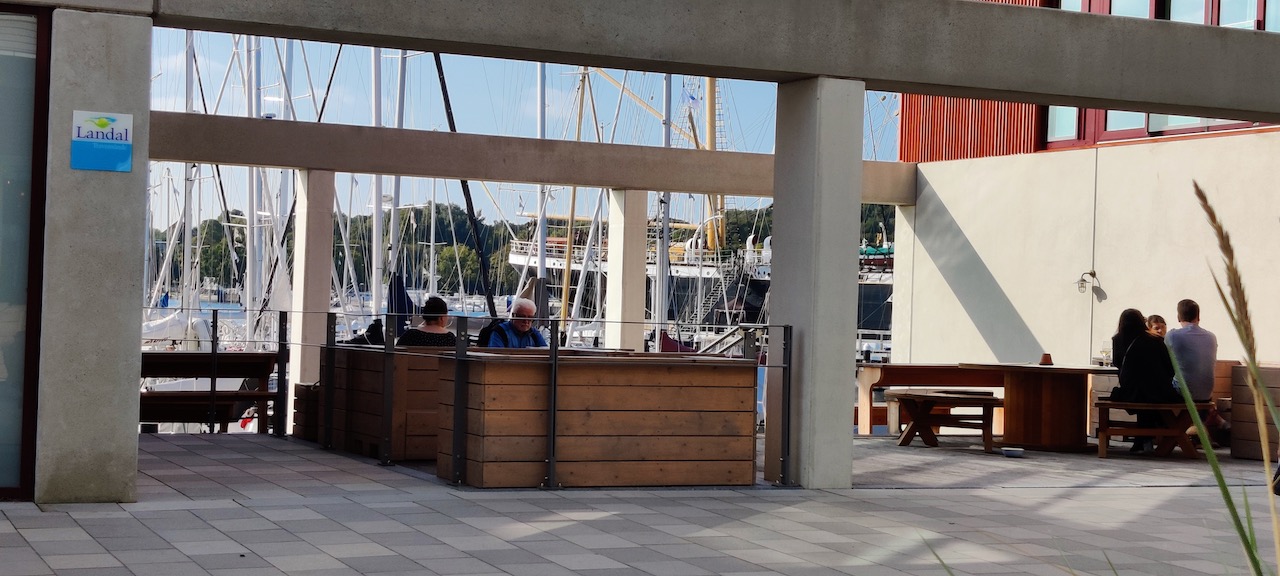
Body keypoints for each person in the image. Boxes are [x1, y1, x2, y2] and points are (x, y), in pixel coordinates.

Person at [1109, 308, 1178, 453]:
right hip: (1158, 392)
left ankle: (1142, 440)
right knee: (1148, 392)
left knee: (1141, 393)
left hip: (1131, 392)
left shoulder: (1117, 340)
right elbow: (1170, 368)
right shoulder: (1156, 340)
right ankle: (1145, 439)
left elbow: (1117, 363)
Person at [1165, 299, 1218, 402]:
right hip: (1206, 395)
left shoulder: (1172, 335)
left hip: (1181, 394)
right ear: (1198, 317)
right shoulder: (1212, 337)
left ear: (1178, 317)